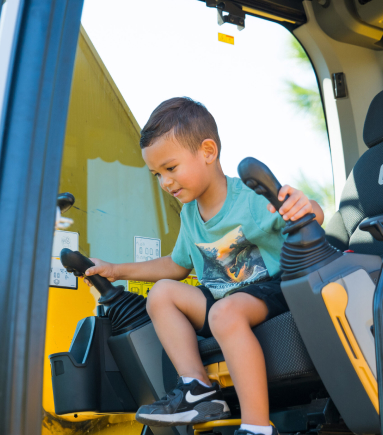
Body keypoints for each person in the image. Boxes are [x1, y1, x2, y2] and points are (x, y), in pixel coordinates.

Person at [84, 97, 324, 435]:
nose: (165, 182)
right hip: (225, 302)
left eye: (171, 168)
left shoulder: (249, 198)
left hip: (275, 289)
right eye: (157, 175)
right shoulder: (190, 215)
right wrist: (116, 270)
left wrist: (305, 204)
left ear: (208, 152)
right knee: (162, 295)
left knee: (224, 313)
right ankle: (197, 390)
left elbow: (307, 214)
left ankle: (256, 428)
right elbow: (176, 265)